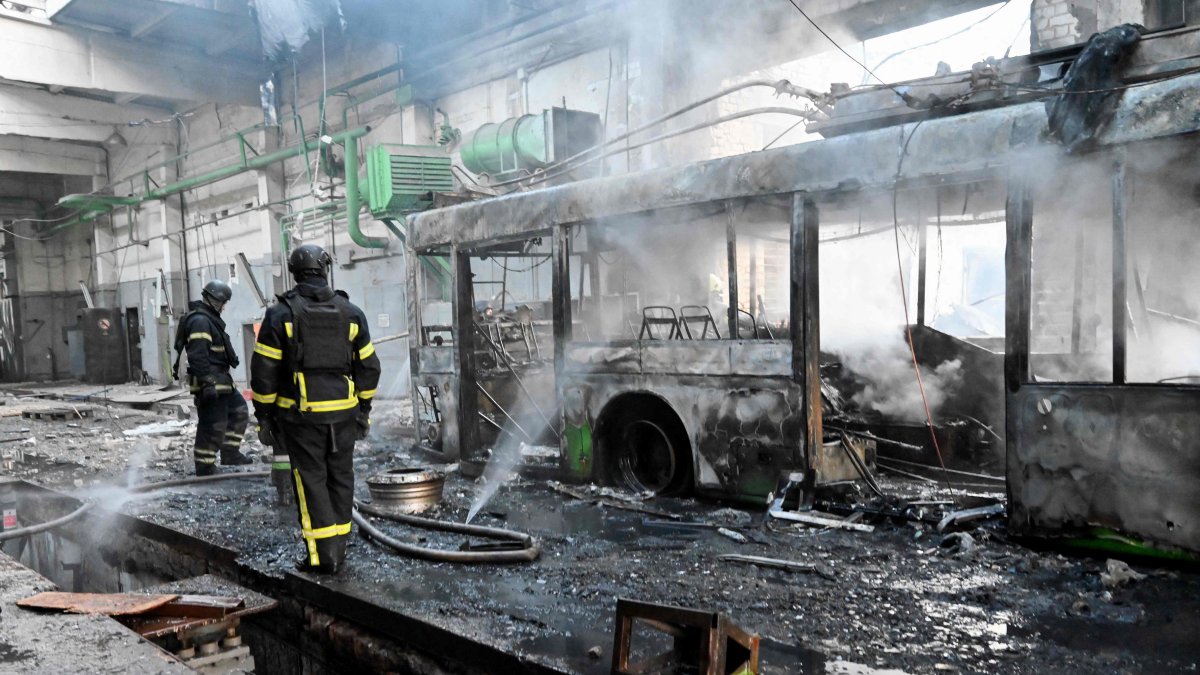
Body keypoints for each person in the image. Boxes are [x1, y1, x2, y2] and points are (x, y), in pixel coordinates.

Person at [250, 244, 381, 574]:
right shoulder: (351, 313)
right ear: (325, 269)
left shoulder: (281, 314)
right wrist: (364, 409)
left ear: (294, 273)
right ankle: (338, 550)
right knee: (341, 478)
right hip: (345, 415)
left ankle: (321, 558)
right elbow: (369, 367)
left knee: (312, 482)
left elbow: (264, 372)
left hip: (301, 417)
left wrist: (264, 417)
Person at [175, 279, 253, 476]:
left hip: (221, 378)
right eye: (223, 302)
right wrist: (207, 383)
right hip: (209, 380)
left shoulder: (208, 319)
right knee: (213, 422)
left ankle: (230, 453)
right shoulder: (200, 321)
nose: (224, 307)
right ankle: (205, 465)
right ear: (215, 300)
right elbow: (198, 356)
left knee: (239, 411)